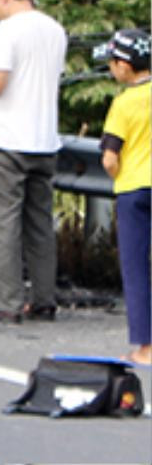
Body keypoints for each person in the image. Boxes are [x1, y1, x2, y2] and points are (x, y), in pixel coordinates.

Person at [0, 0, 67, 323]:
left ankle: (5, 302)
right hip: (46, 140)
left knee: (2, 224)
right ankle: (44, 299)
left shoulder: (8, 31)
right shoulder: (54, 29)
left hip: (8, 141)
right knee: (40, 226)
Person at [96, 28, 151, 366]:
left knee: (136, 267)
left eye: (113, 63)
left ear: (125, 66)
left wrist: (117, 174)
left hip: (133, 190)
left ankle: (146, 346)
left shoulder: (123, 103)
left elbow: (109, 156)